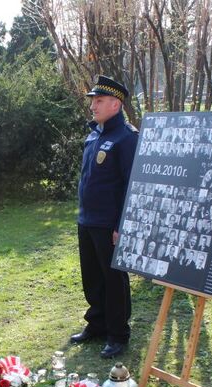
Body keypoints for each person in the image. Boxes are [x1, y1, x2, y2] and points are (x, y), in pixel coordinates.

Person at [69, 76, 139, 359]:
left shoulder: (126, 137)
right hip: (87, 220)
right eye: (92, 101)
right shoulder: (95, 134)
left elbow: (131, 185)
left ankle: (118, 333)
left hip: (109, 224)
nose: (92, 106)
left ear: (115, 103)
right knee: (93, 278)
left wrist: (121, 226)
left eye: (98, 101)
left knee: (113, 280)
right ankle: (96, 324)